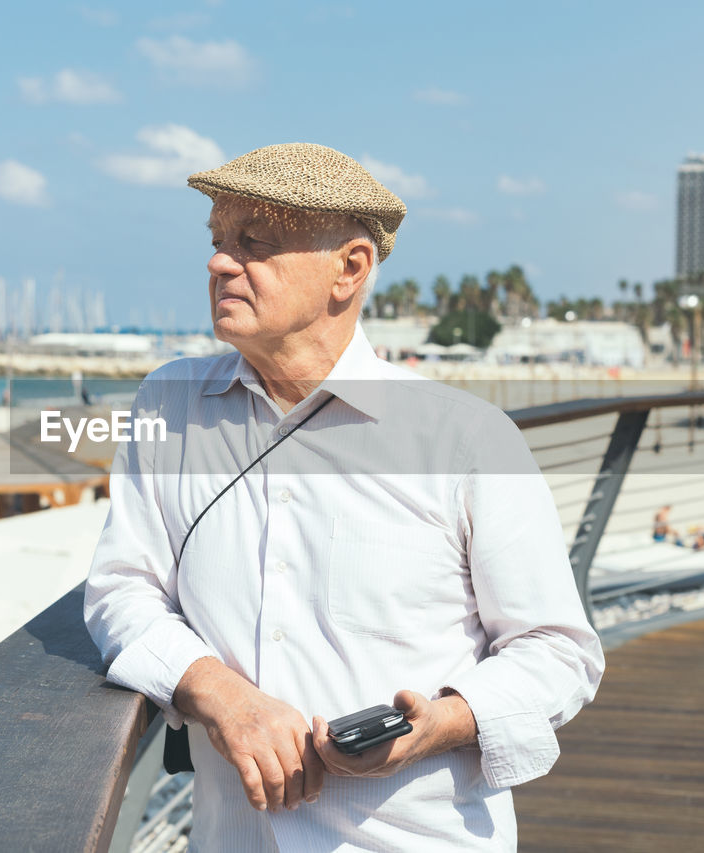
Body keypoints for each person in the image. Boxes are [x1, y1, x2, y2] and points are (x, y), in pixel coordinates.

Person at [84, 143, 604, 851]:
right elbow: (121, 589)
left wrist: (442, 723)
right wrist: (220, 694)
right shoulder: (169, 404)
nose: (217, 262)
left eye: (253, 242)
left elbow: (558, 651)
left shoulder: (467, 439)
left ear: (350, 268)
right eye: (217, 241)